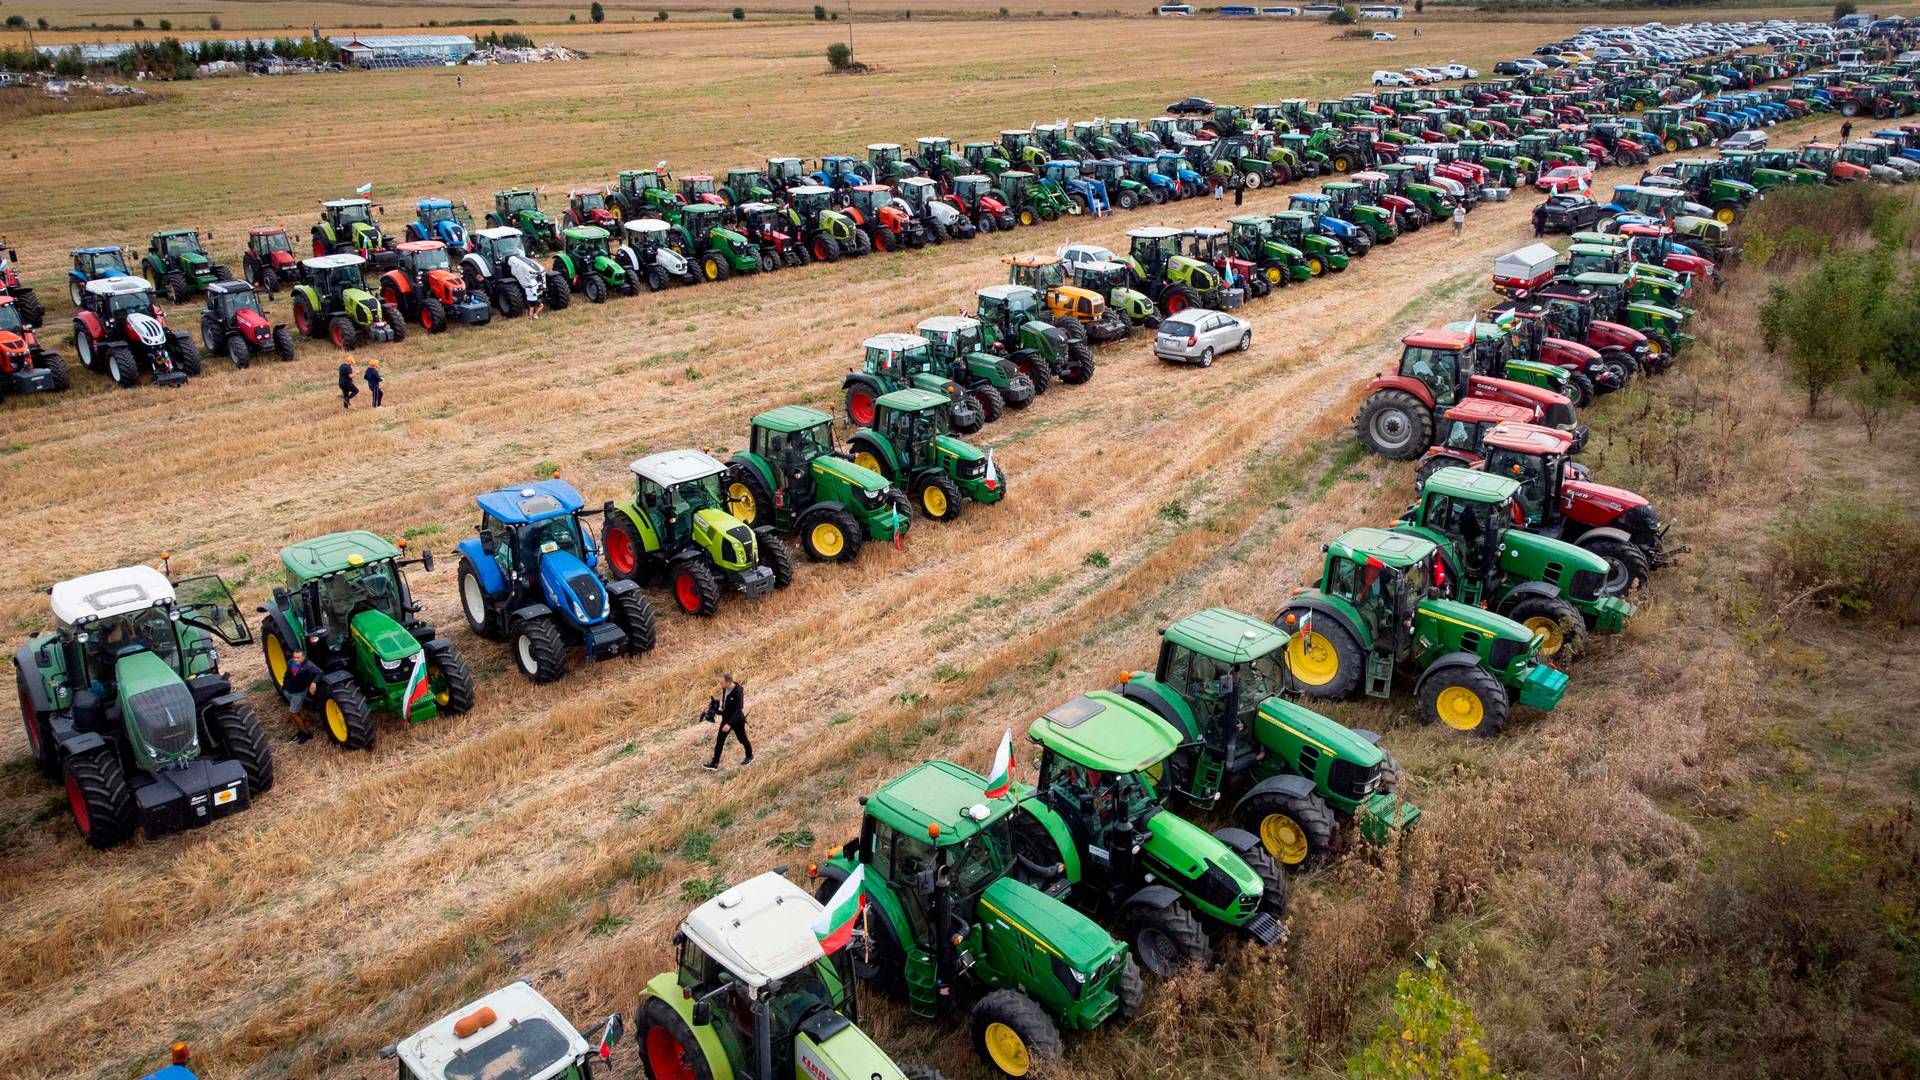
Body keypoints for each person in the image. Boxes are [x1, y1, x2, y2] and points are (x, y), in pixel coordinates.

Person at [703, 672, 752, 770]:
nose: (720, 685)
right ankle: (714, 763)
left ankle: (750, 756)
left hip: (737, 720)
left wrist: (729, 724)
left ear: (729, 682)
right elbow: (727, 709)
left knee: (742, 739)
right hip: (726, 719)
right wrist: (716, 711)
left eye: (722, 683)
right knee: (720, 741)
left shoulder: (738, 692)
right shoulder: (725, 689)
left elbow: (738, 711)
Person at [281, 647, 322, 743]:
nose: (295, 659)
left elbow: (320, 673)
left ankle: (305, 733)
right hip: (288, 690)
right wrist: (284, 685)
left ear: (303, 657)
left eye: (298, 658)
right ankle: (304, 724)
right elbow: (287, 674)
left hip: (298, 693)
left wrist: (314, 683)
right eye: (294, 657)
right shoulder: (290, 662)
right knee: (298, 710)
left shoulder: (308, 665)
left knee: (293, 713)